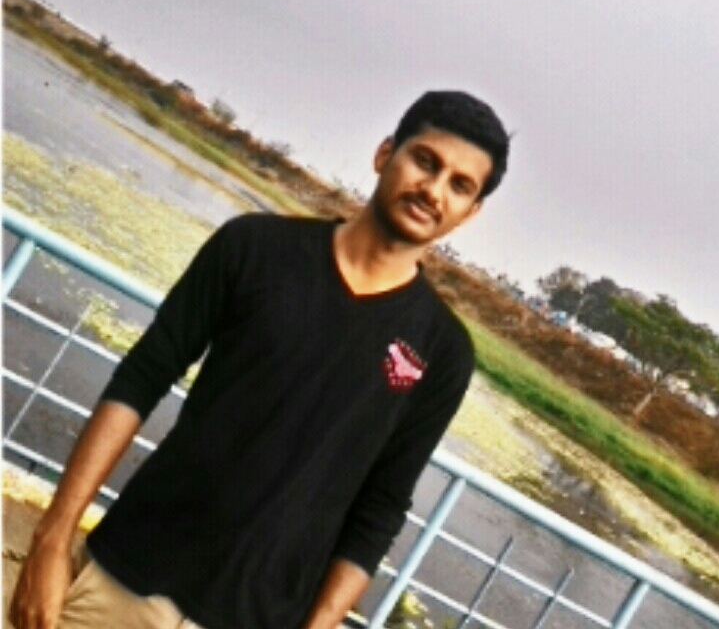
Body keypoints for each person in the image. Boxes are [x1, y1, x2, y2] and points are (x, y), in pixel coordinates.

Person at [10, 90, 510, 629]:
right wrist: (51, 540)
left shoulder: (443, 352)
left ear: (471, 212)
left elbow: (380, 507)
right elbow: (142, 377)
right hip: (124, 579)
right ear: (385, 153)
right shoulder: (254, 248)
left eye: (460, 185)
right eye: (425, 162)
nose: (433, 190)